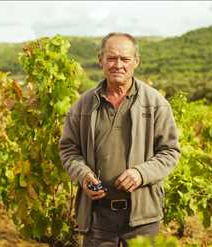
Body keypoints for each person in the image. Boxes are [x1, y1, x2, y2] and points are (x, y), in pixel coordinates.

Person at [59, 32, 180, 246]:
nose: (118, 65)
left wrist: (141, 174)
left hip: (143, 218)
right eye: (111, 58)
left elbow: (170, 152)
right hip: (98, 218)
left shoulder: (156, 103)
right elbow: (69, 149)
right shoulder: (83, 105)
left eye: (125, 59)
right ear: (100, 60)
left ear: (136, 62)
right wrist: (83, 174)